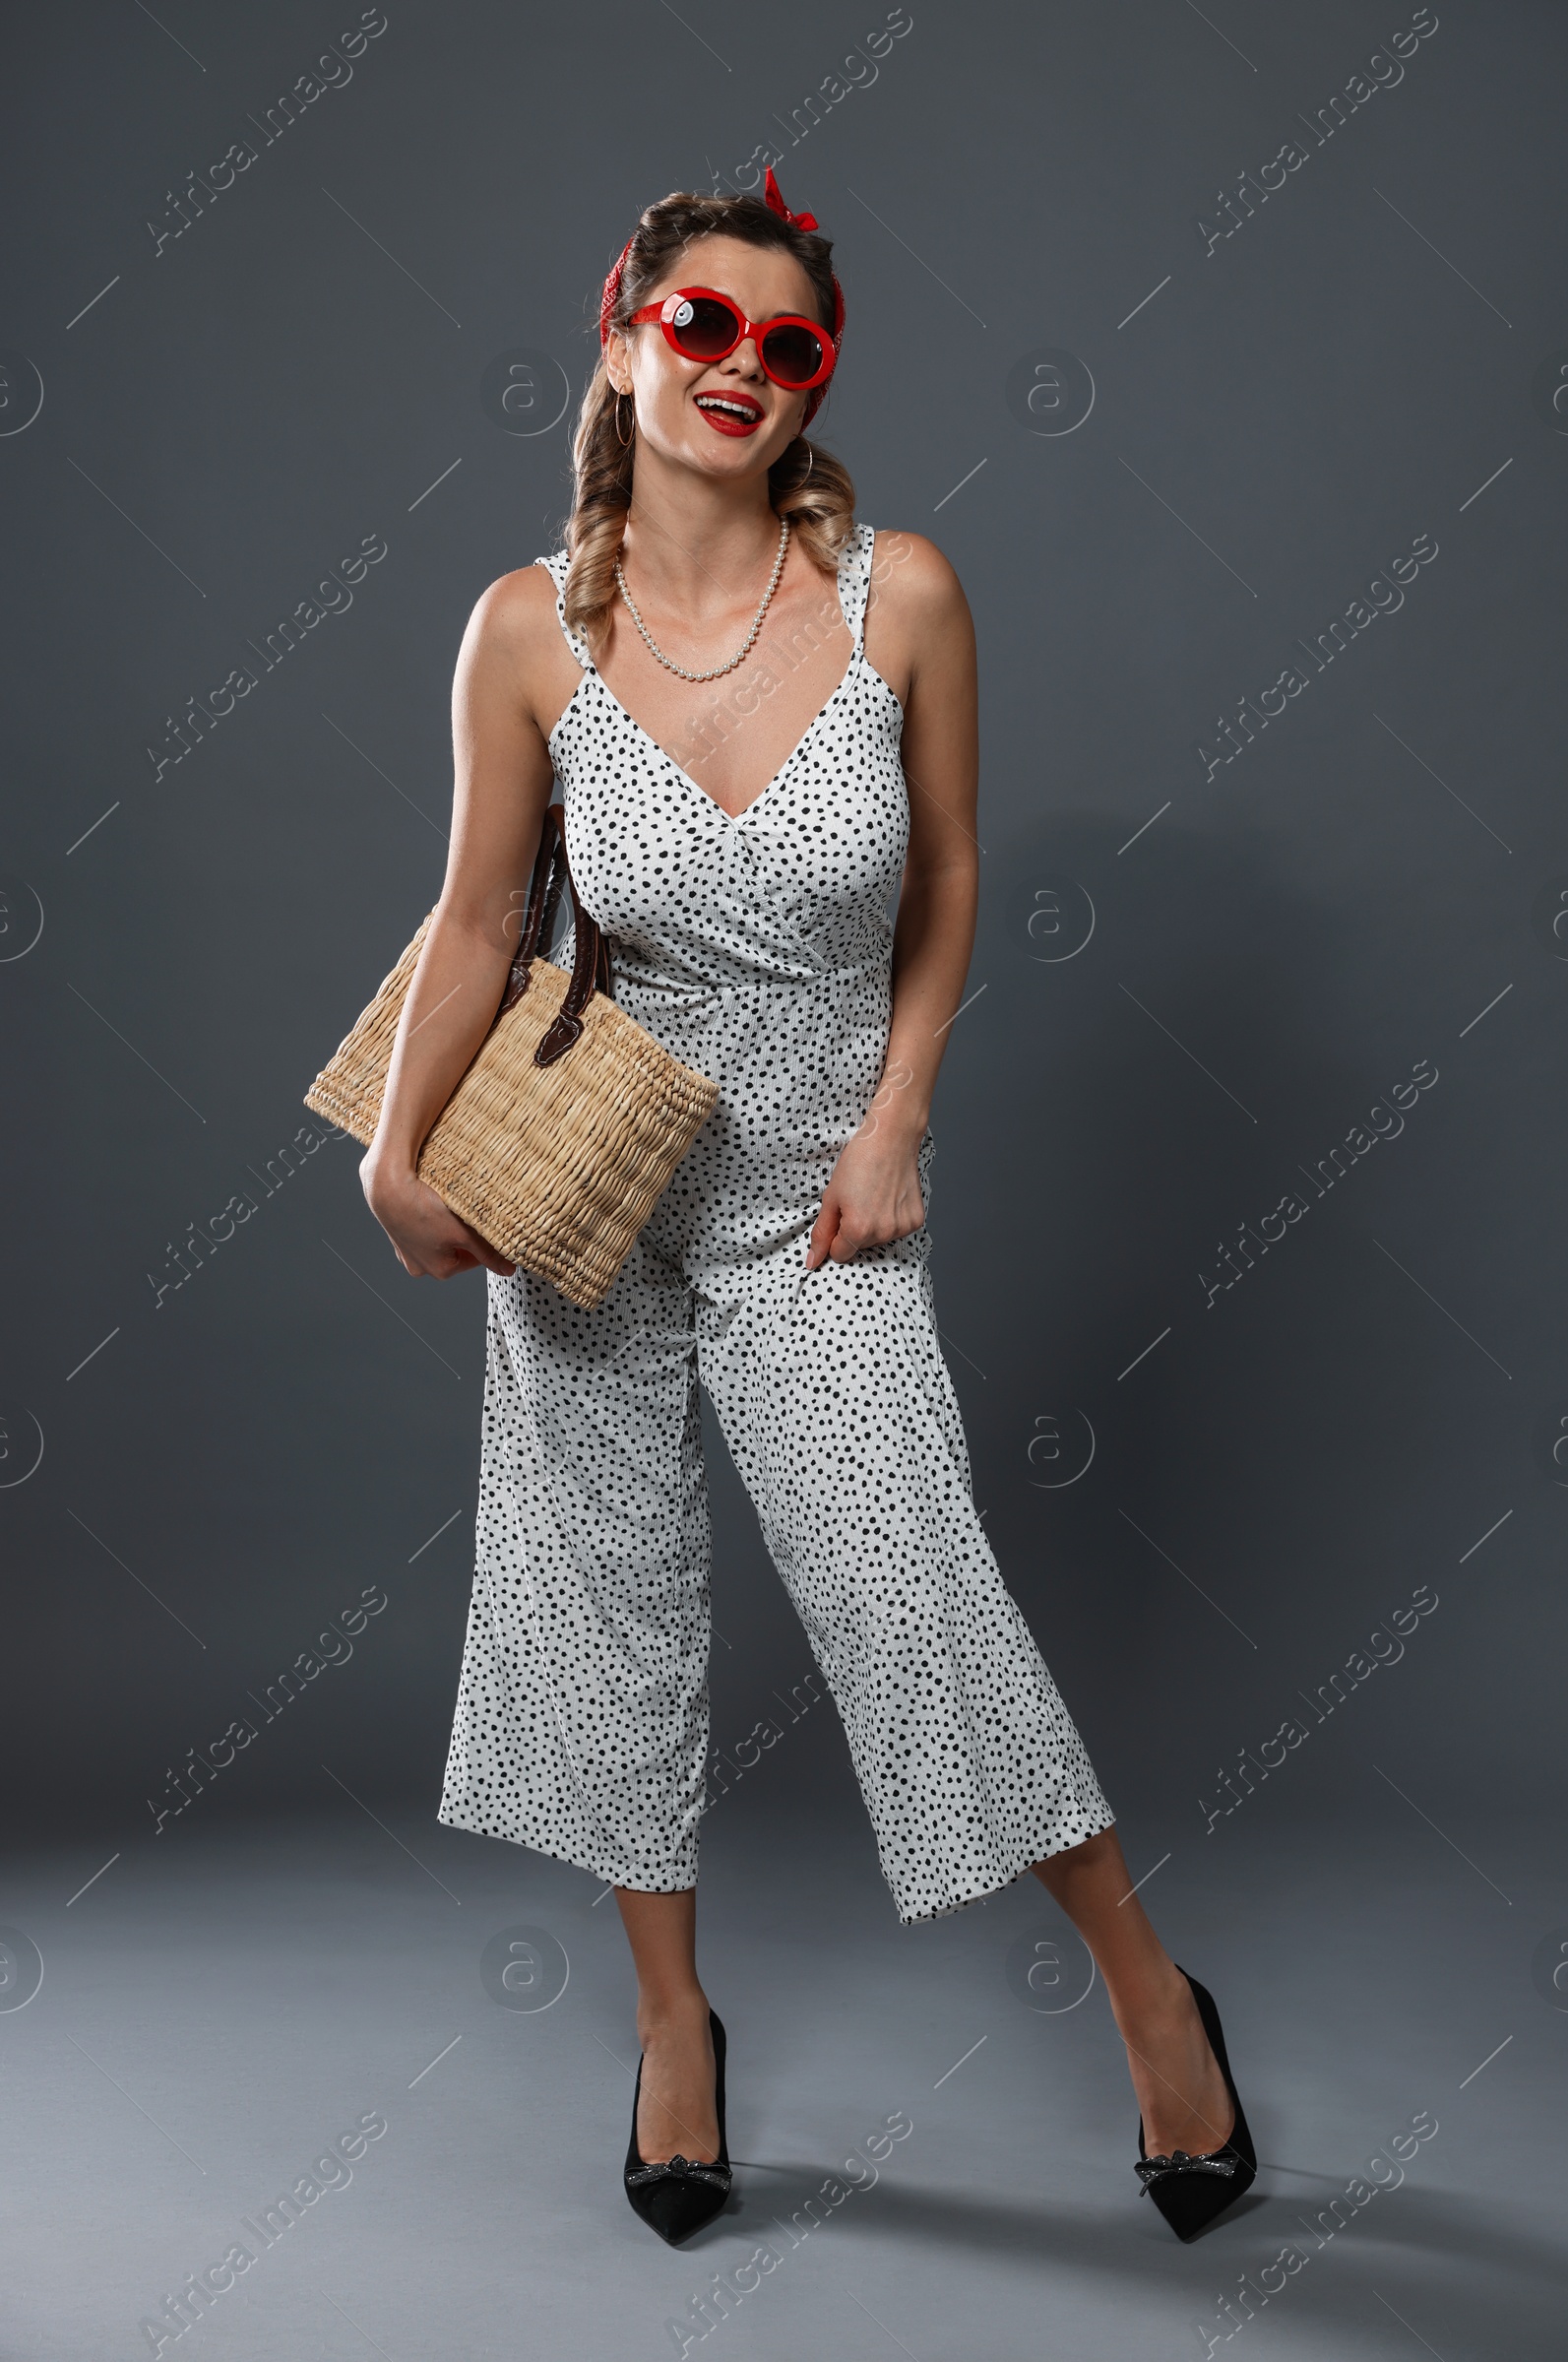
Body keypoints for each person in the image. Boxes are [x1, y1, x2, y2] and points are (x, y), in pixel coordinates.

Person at [357, 172, 1254, 2247]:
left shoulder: (898, 597)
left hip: (810, 1200)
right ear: (620, 333)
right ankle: (673, 2026)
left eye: (786, 347)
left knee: (908, 1589)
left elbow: (942, 883)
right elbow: (481, 913)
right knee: (599, 1609)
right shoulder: (524, 629)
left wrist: (898, 1116)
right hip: (596, 1180)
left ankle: (1149, 1998)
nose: (741, 369)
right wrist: (394, 1156)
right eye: (699, 327)